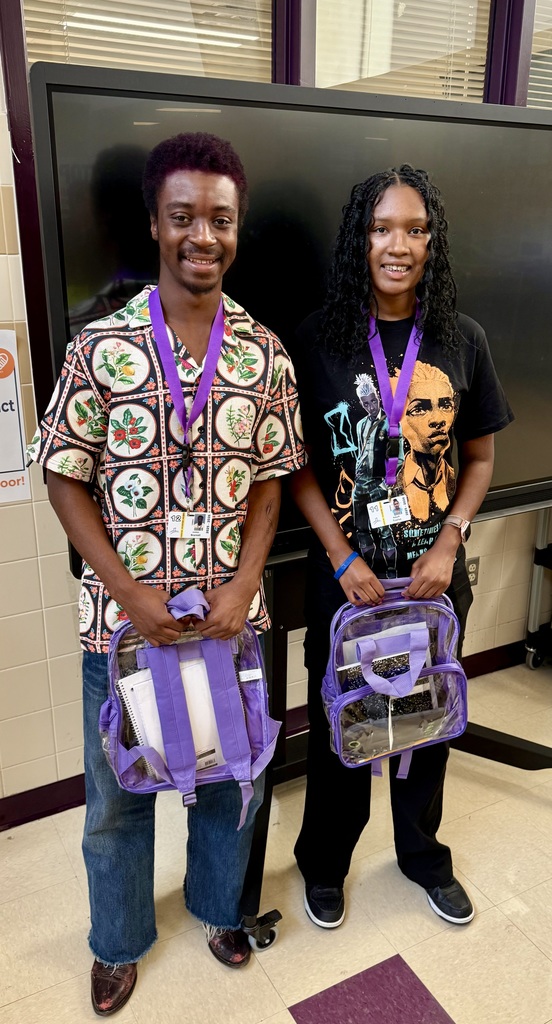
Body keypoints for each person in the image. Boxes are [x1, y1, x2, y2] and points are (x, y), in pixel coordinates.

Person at [27, 132, 306, 1016]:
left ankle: (221, 910)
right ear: (154, 222)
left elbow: (271, 482)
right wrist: (128, 593)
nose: (203, 236)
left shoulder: (264, 354)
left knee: (229, 779)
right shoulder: (101, 347)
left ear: (238, 227)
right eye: (183, 216)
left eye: (221, 219)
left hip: (229, 622)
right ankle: (116, 943)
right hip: (125, 629)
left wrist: (245, 584)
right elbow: (63, 475)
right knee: (119, 795)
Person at [288, 164, 513, 932]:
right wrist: (341, 557)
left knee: (428, 719)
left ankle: (423, 857)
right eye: (383, 228)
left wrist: (450, 540)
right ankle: (325, 865)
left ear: (432, 242)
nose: (399, 245)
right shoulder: (316, 339)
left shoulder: (462, 338)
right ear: (360, 238)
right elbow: (297, 469)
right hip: (346, 583)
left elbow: (479, 459)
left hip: (431, 580)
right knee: (341, 727)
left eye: (416, 230)